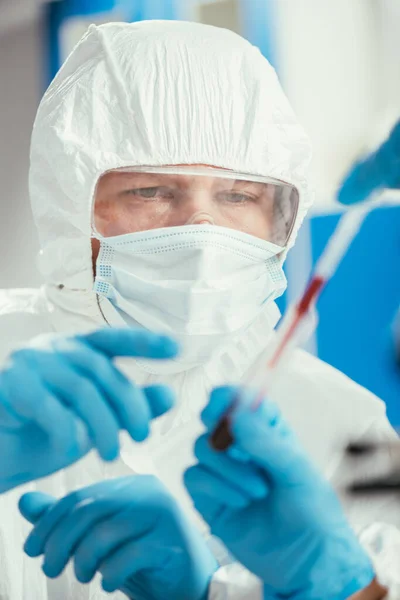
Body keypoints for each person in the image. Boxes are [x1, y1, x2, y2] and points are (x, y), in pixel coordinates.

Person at [0, 19, 399, 599]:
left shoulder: (345, 426)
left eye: (239, 196)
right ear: (69, 202)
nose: (203, 231)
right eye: (151, 191)